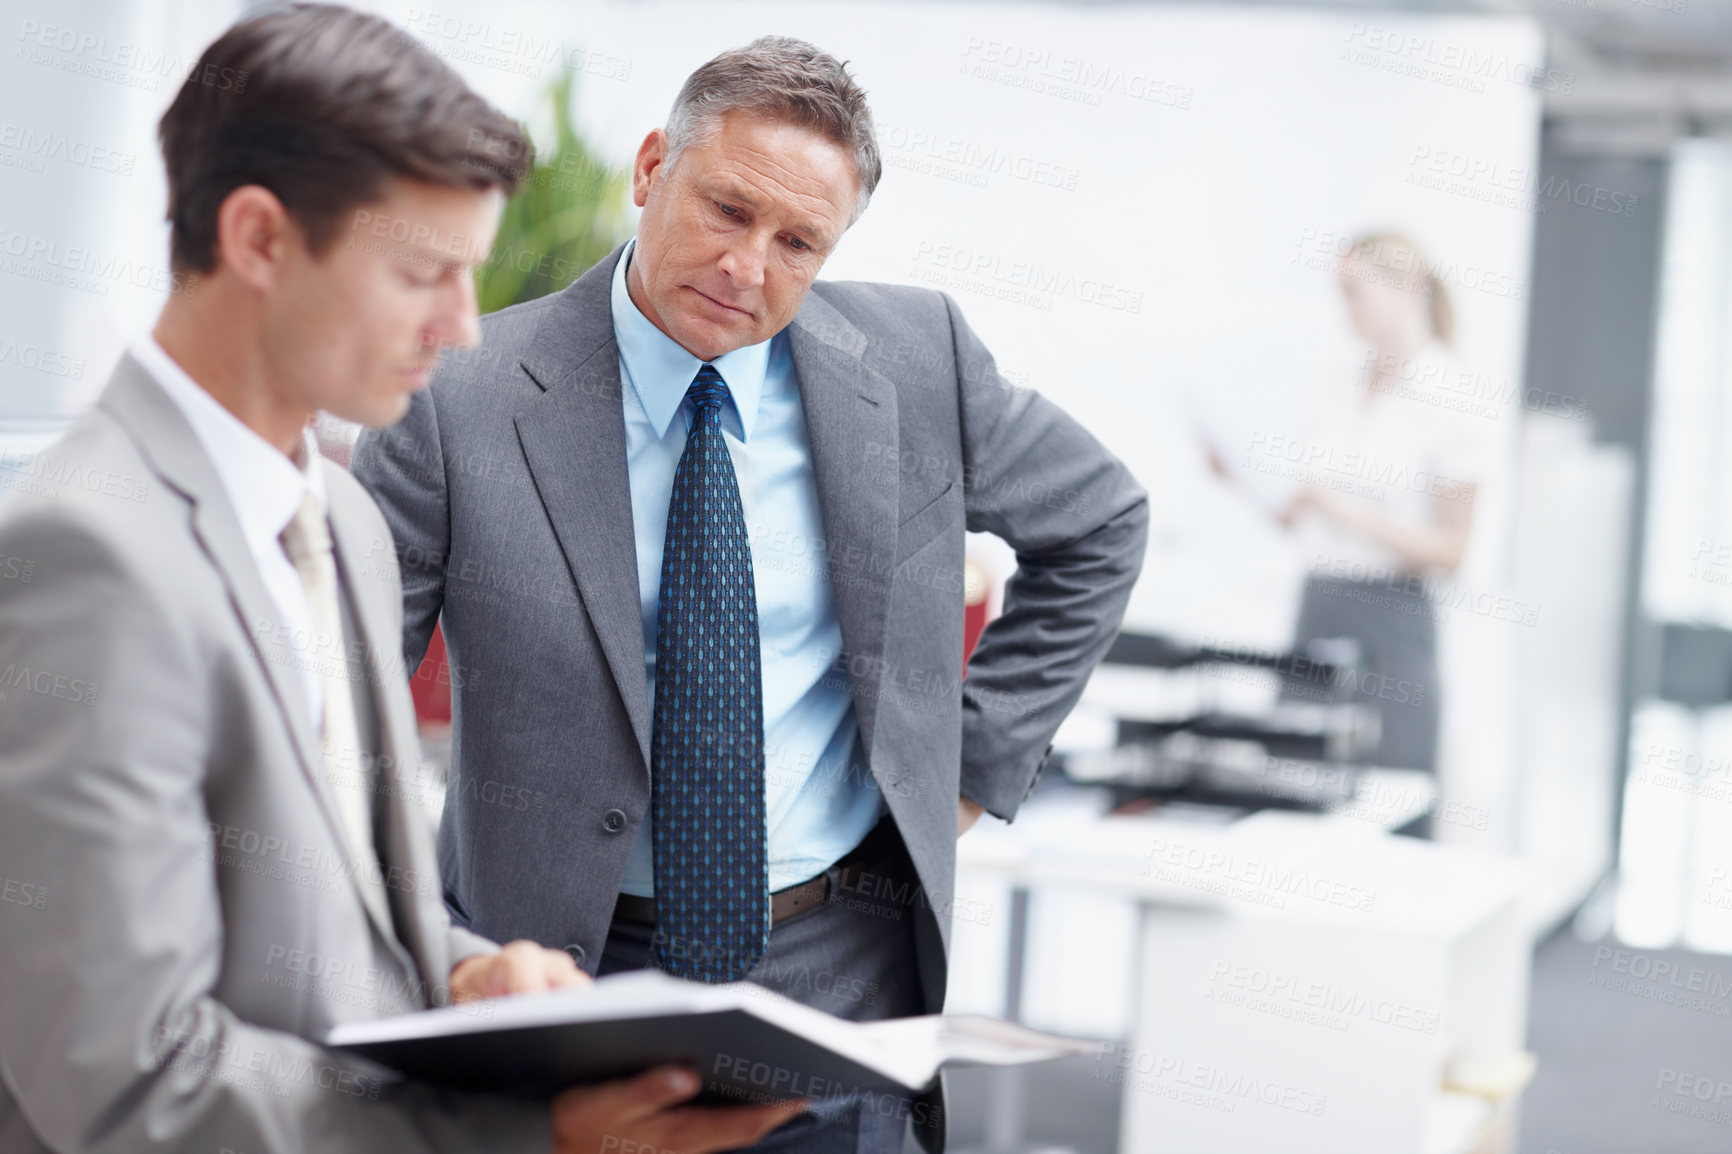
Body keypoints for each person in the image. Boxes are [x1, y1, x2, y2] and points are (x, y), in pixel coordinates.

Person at [0, 7, 804, 1153]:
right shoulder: (90, 558)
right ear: (260, 239)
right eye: (423, 273)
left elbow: (342, 910)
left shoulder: (347, 529)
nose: (463, 329)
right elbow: (128, 1076)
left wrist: (469, 968)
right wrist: (524, 1132)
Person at [351, 34, 1148, 1153]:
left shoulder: (920, 361)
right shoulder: (458, 398)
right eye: (726, 209)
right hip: (562, 982)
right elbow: (341, 722)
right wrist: (440, 952)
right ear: (647, 170)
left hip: (841, 978)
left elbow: (1100, 520)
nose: (746, 266)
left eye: (797, 242)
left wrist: (967, 764)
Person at [1211, 231, 1490, 772]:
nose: (1345, 309)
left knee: (1389, 789)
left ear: (1408, 288)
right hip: (1319, 605)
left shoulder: (1453, 398)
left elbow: (1453, 551)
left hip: (1392, 618)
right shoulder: (1336, 385)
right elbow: (1303, 519)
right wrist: (1241, 482)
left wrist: (1342, 508)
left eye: (1355, 293)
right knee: (1291, 778)